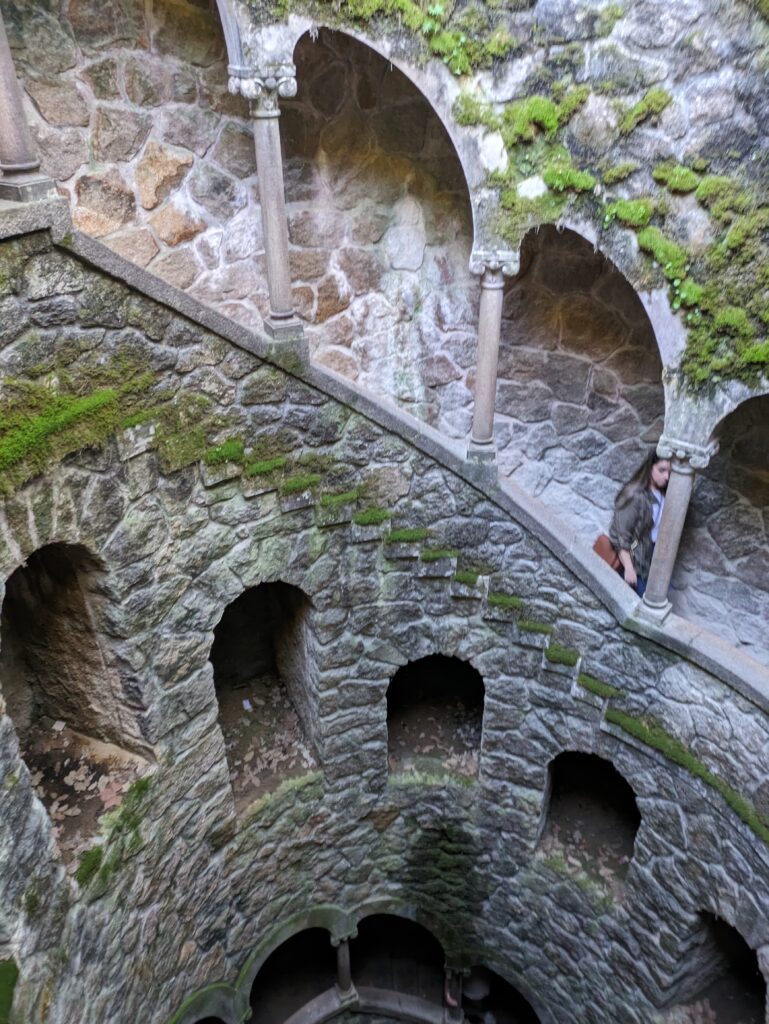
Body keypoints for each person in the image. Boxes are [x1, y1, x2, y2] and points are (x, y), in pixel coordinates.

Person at [609, 451, 671, 597]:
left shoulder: (664, 495)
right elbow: (619, 535)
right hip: (634, 562)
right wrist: (629, 568)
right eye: (661, 470)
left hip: (651, 561)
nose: (667, 477)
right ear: (650, 468)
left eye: (670, 472)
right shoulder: (636, 496)